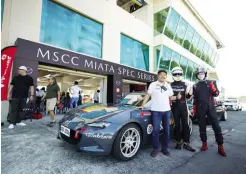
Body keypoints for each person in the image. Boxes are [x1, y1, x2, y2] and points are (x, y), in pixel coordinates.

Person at [193, 66, 227, 157]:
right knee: (202, 127)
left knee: (216, 126)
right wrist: (195, 109)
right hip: (200, 109)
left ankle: (220, 146)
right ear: (197, 75)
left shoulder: (212, 82)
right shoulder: (195, 85)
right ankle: (204, 144)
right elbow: (195, 99)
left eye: (202, 73)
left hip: (211, 108)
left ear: (205, 74)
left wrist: (213, 89)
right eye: (198, 74)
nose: (200, 75)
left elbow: (216, 94)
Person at [140, 70, 174, 157]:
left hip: (166, 111)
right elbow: (148, 95)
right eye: (161, 75)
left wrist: (178, 97)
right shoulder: (153, 84)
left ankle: (165, 148)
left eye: (164, 75)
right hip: (156, 111)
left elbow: (171, 97)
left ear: (166, 77)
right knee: (155, 130)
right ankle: (155, 149)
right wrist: (142, 105)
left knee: (167, 130)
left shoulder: (168, 85)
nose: (163, 76)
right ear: (157, 76)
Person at [170, 67, 196, 152]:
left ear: (182, 74)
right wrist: (175, 98)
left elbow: (188, 97)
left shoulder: (186, 84)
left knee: (185, 125)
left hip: (184, 108)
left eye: (179, 74)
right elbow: (168, 97)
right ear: (172, 75)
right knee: (177, 126)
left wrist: (190, 93)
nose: (177, 75)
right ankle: (178, 142)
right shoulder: (170, 85)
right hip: (174, 108)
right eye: (176, 74)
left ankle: (186, 143)